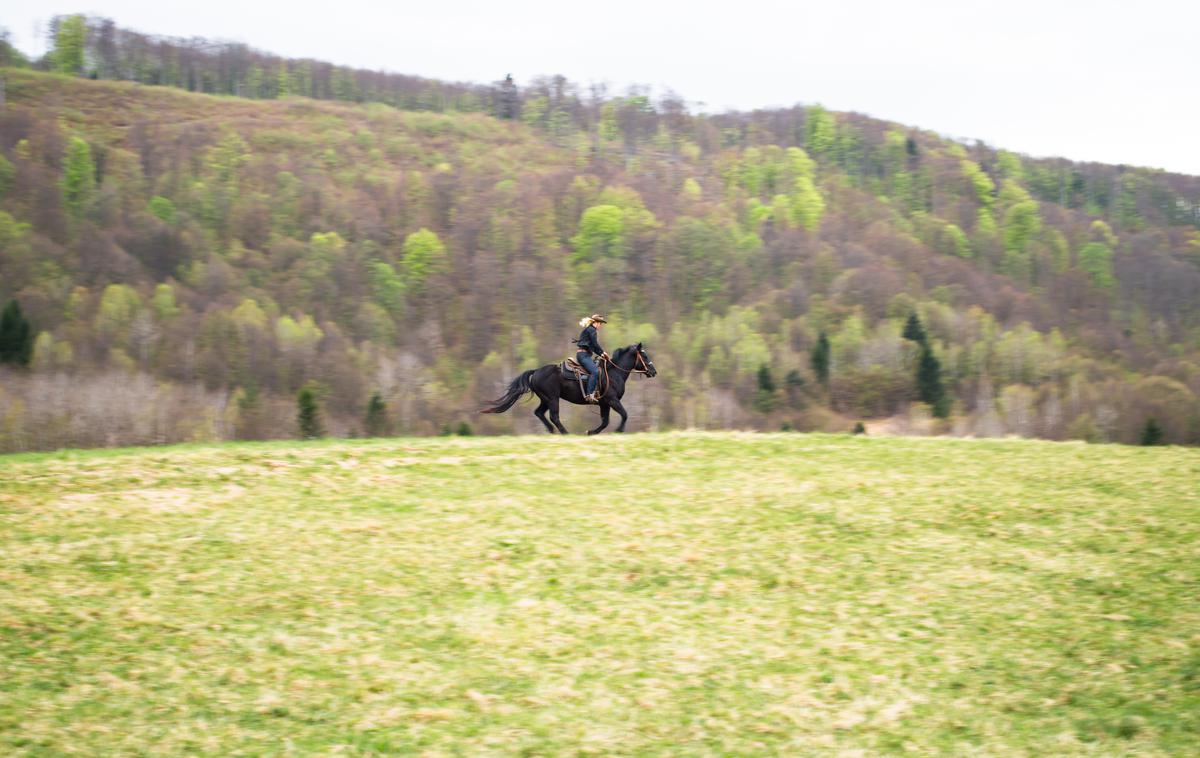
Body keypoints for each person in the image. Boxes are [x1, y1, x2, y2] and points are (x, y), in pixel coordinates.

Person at [575, 314, 609, 402]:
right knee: (595, 371)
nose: (601, 326)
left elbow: (593, 347)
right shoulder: (592, 330)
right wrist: (603, 352)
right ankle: (589, 395)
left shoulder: (589, 330)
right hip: (583, 355)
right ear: (596, 323)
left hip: (584, 355)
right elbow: (595, 344)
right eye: (600, 324)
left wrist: (601, 355)